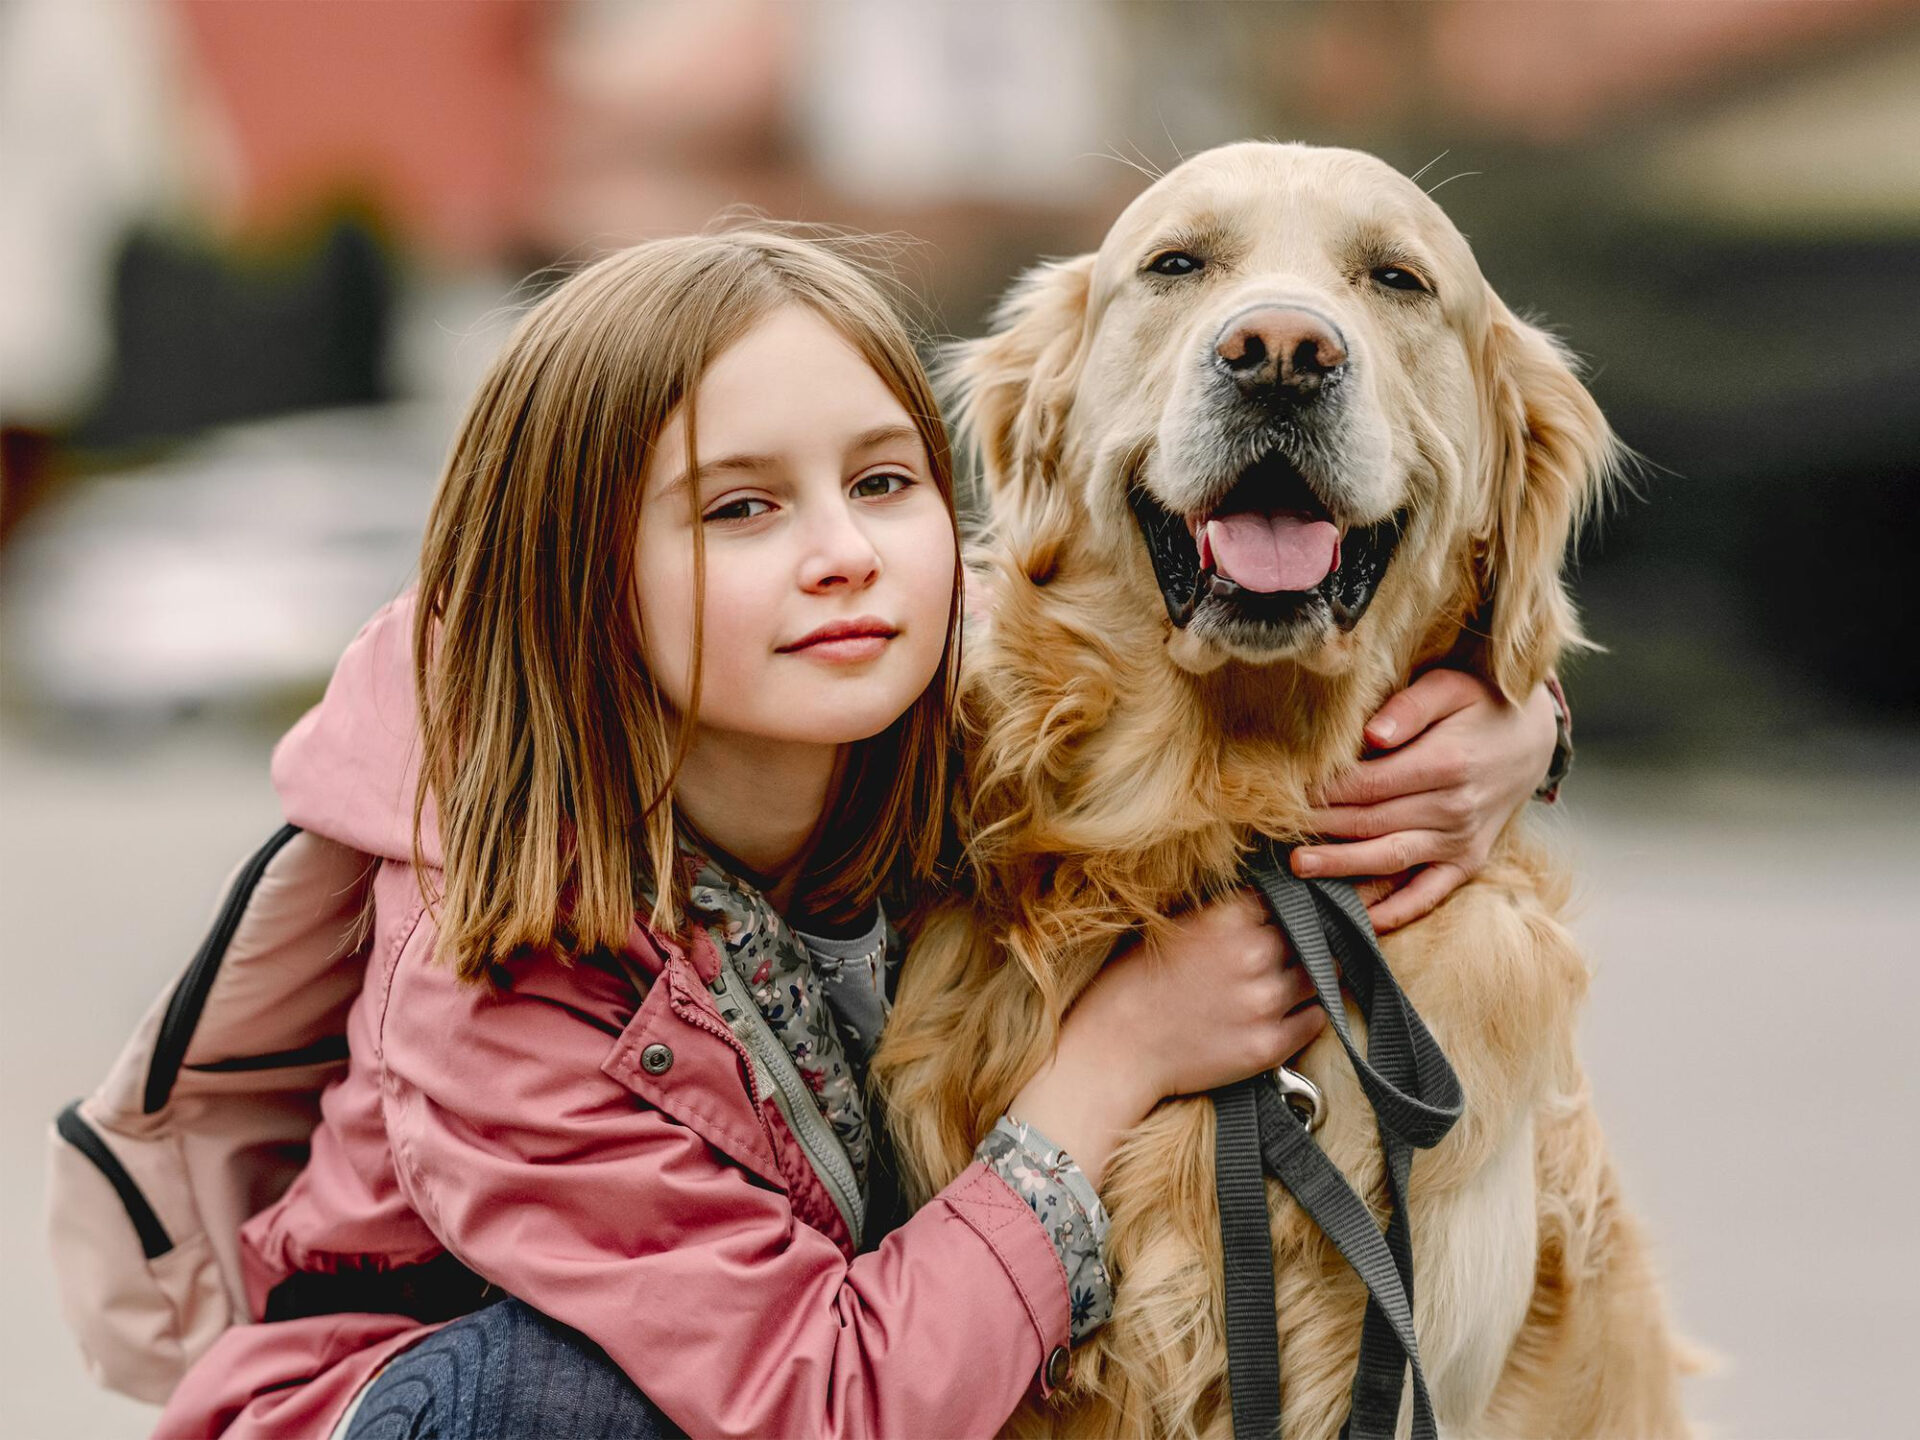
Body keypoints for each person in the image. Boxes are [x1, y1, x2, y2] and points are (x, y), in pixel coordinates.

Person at [154, 228, 1562, 1440]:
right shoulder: (494, 990)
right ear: (576, 578)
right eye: (742, 507)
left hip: (801, 1372)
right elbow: (819, 1405)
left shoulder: (935, 717)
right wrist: (1119, 1053)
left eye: (885, 483)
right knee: (564, 1399)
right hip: (453, 1406)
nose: (845, 553)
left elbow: (1218, 704)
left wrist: (1520, 724)